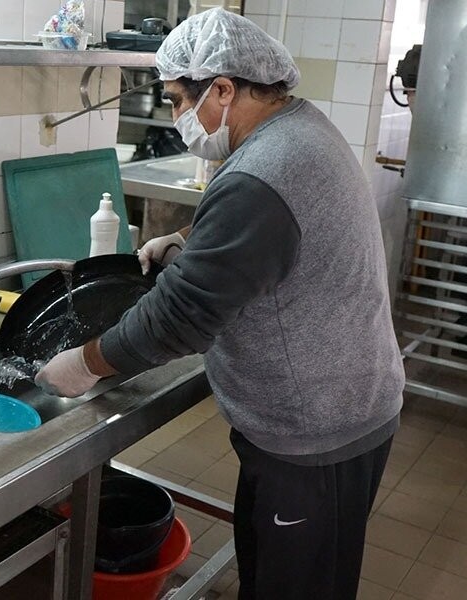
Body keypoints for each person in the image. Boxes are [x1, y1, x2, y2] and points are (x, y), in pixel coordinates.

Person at [35, 8, 405, 599]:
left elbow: (179, 317)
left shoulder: (265, 169)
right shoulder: (298, 128)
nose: (177, 117)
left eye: (179, 101)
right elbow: (272, 236)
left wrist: (85, 363)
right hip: (336, 404)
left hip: (317, 430)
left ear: (225, 89)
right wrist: (190, 240)